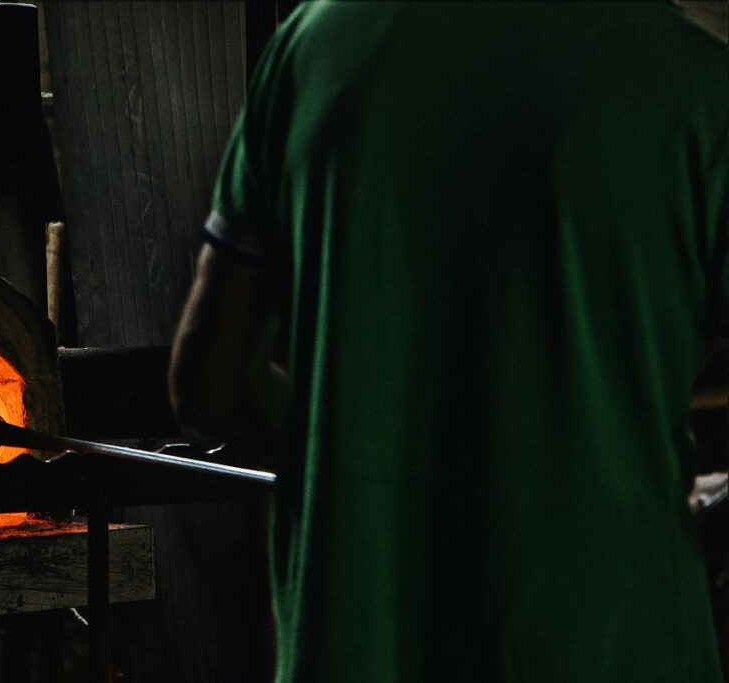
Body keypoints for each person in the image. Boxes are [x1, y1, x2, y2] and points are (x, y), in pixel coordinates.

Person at [168, 2, 728, 681]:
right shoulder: (694, 80)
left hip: (356, 641)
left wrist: (357, 454)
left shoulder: (311, 46)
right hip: (609, 638)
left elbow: (205, 382)